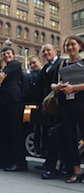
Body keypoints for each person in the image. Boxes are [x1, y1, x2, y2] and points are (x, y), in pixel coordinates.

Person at [51, 36, 84, 183]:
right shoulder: (62, 64)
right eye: (67, 45)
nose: (70, 48)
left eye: (73, 44)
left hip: (81, 103)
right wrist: (57, 87)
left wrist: (73, 88)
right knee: (69, 139)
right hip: (65, 106)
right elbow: (52, 84)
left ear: (80, 46)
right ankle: (77, 171)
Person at [36, 44, 64, 179]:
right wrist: (43, 104)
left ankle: (57, 166)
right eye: (44, 51)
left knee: (56, 135)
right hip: (48, 105)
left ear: (55, 51)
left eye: (48, 50)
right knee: (47, 134)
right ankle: (48, 162)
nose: (46, 53)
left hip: (59, 106)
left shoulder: (61, 63)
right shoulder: (45, 68)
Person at [0, 47, 26, 172]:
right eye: (4, 54)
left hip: (15, 102)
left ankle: (19, 162)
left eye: (8, 53)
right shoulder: (7, 67)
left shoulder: (15, 64)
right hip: (8, 103)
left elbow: (2, 76)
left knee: (16, 132)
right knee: (10, 132)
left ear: (13, 55)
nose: (6, 56)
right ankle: (14, 160)